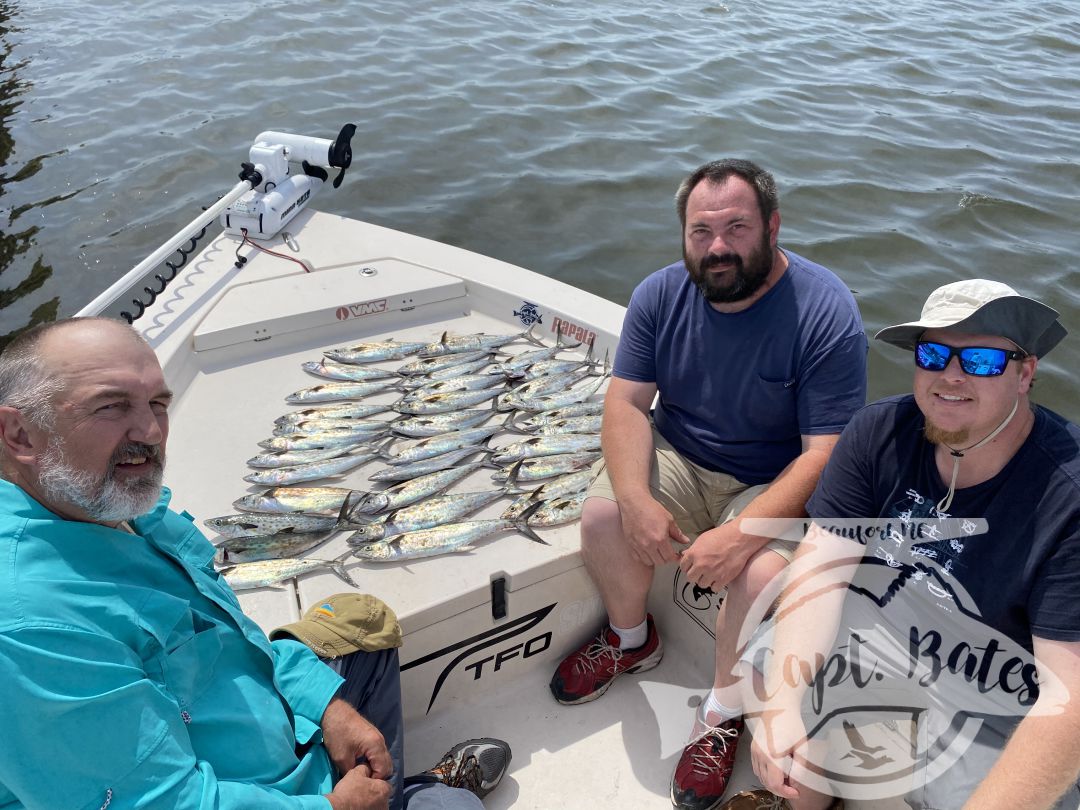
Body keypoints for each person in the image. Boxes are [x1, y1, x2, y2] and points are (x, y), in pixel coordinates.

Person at [0, 317, 511, 810]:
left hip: (269, 734)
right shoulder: (30, 625)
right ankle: (421, 793)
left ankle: (393, 791)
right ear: (19, 435)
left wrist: (326, 705)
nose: (152, 431)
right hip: (262, 791)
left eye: (158, 403)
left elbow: (233, 634)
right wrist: (334, 806)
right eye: (110, 406)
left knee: (360, 621)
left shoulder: (123, 507)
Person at [547, 158, 868, 809]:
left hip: (777, 477)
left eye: (736, 228)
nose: (717, 247)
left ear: (773, 227)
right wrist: (636, 501)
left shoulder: (826, 311)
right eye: (701, 231)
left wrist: (741, 535)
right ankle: (630, 639)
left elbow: (826, 455)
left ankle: (720, 714)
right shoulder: (659, 296)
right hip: (684, 455)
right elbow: (627, 405)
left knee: (753, 575)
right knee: (605, 517)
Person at [746, 279, 1080, 810]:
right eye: (933, 353)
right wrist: (783, 707)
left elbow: (1068, 704)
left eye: (982, 359)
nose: (951, 374)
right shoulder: (877, 431)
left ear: (1025, 373)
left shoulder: (1066, 498)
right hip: (880, 638)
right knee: (782, 707)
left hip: (990, 690)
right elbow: (819, 569)